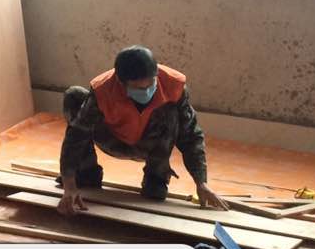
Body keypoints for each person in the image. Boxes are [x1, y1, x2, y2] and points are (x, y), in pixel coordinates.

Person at [57, 45, 227, 216]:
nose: (146, 91)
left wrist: (201, 182)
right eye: (139, 89)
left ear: (156, 74)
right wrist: (69, 184)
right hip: (112, 139)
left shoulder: (173, 85)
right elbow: (76, 135)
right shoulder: (103, 89)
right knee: (74, 96)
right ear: (121, 83)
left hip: (149, 144)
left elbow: (191, 134)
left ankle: (156, 178)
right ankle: (86, 173)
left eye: (151, 84)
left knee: (172, 111)